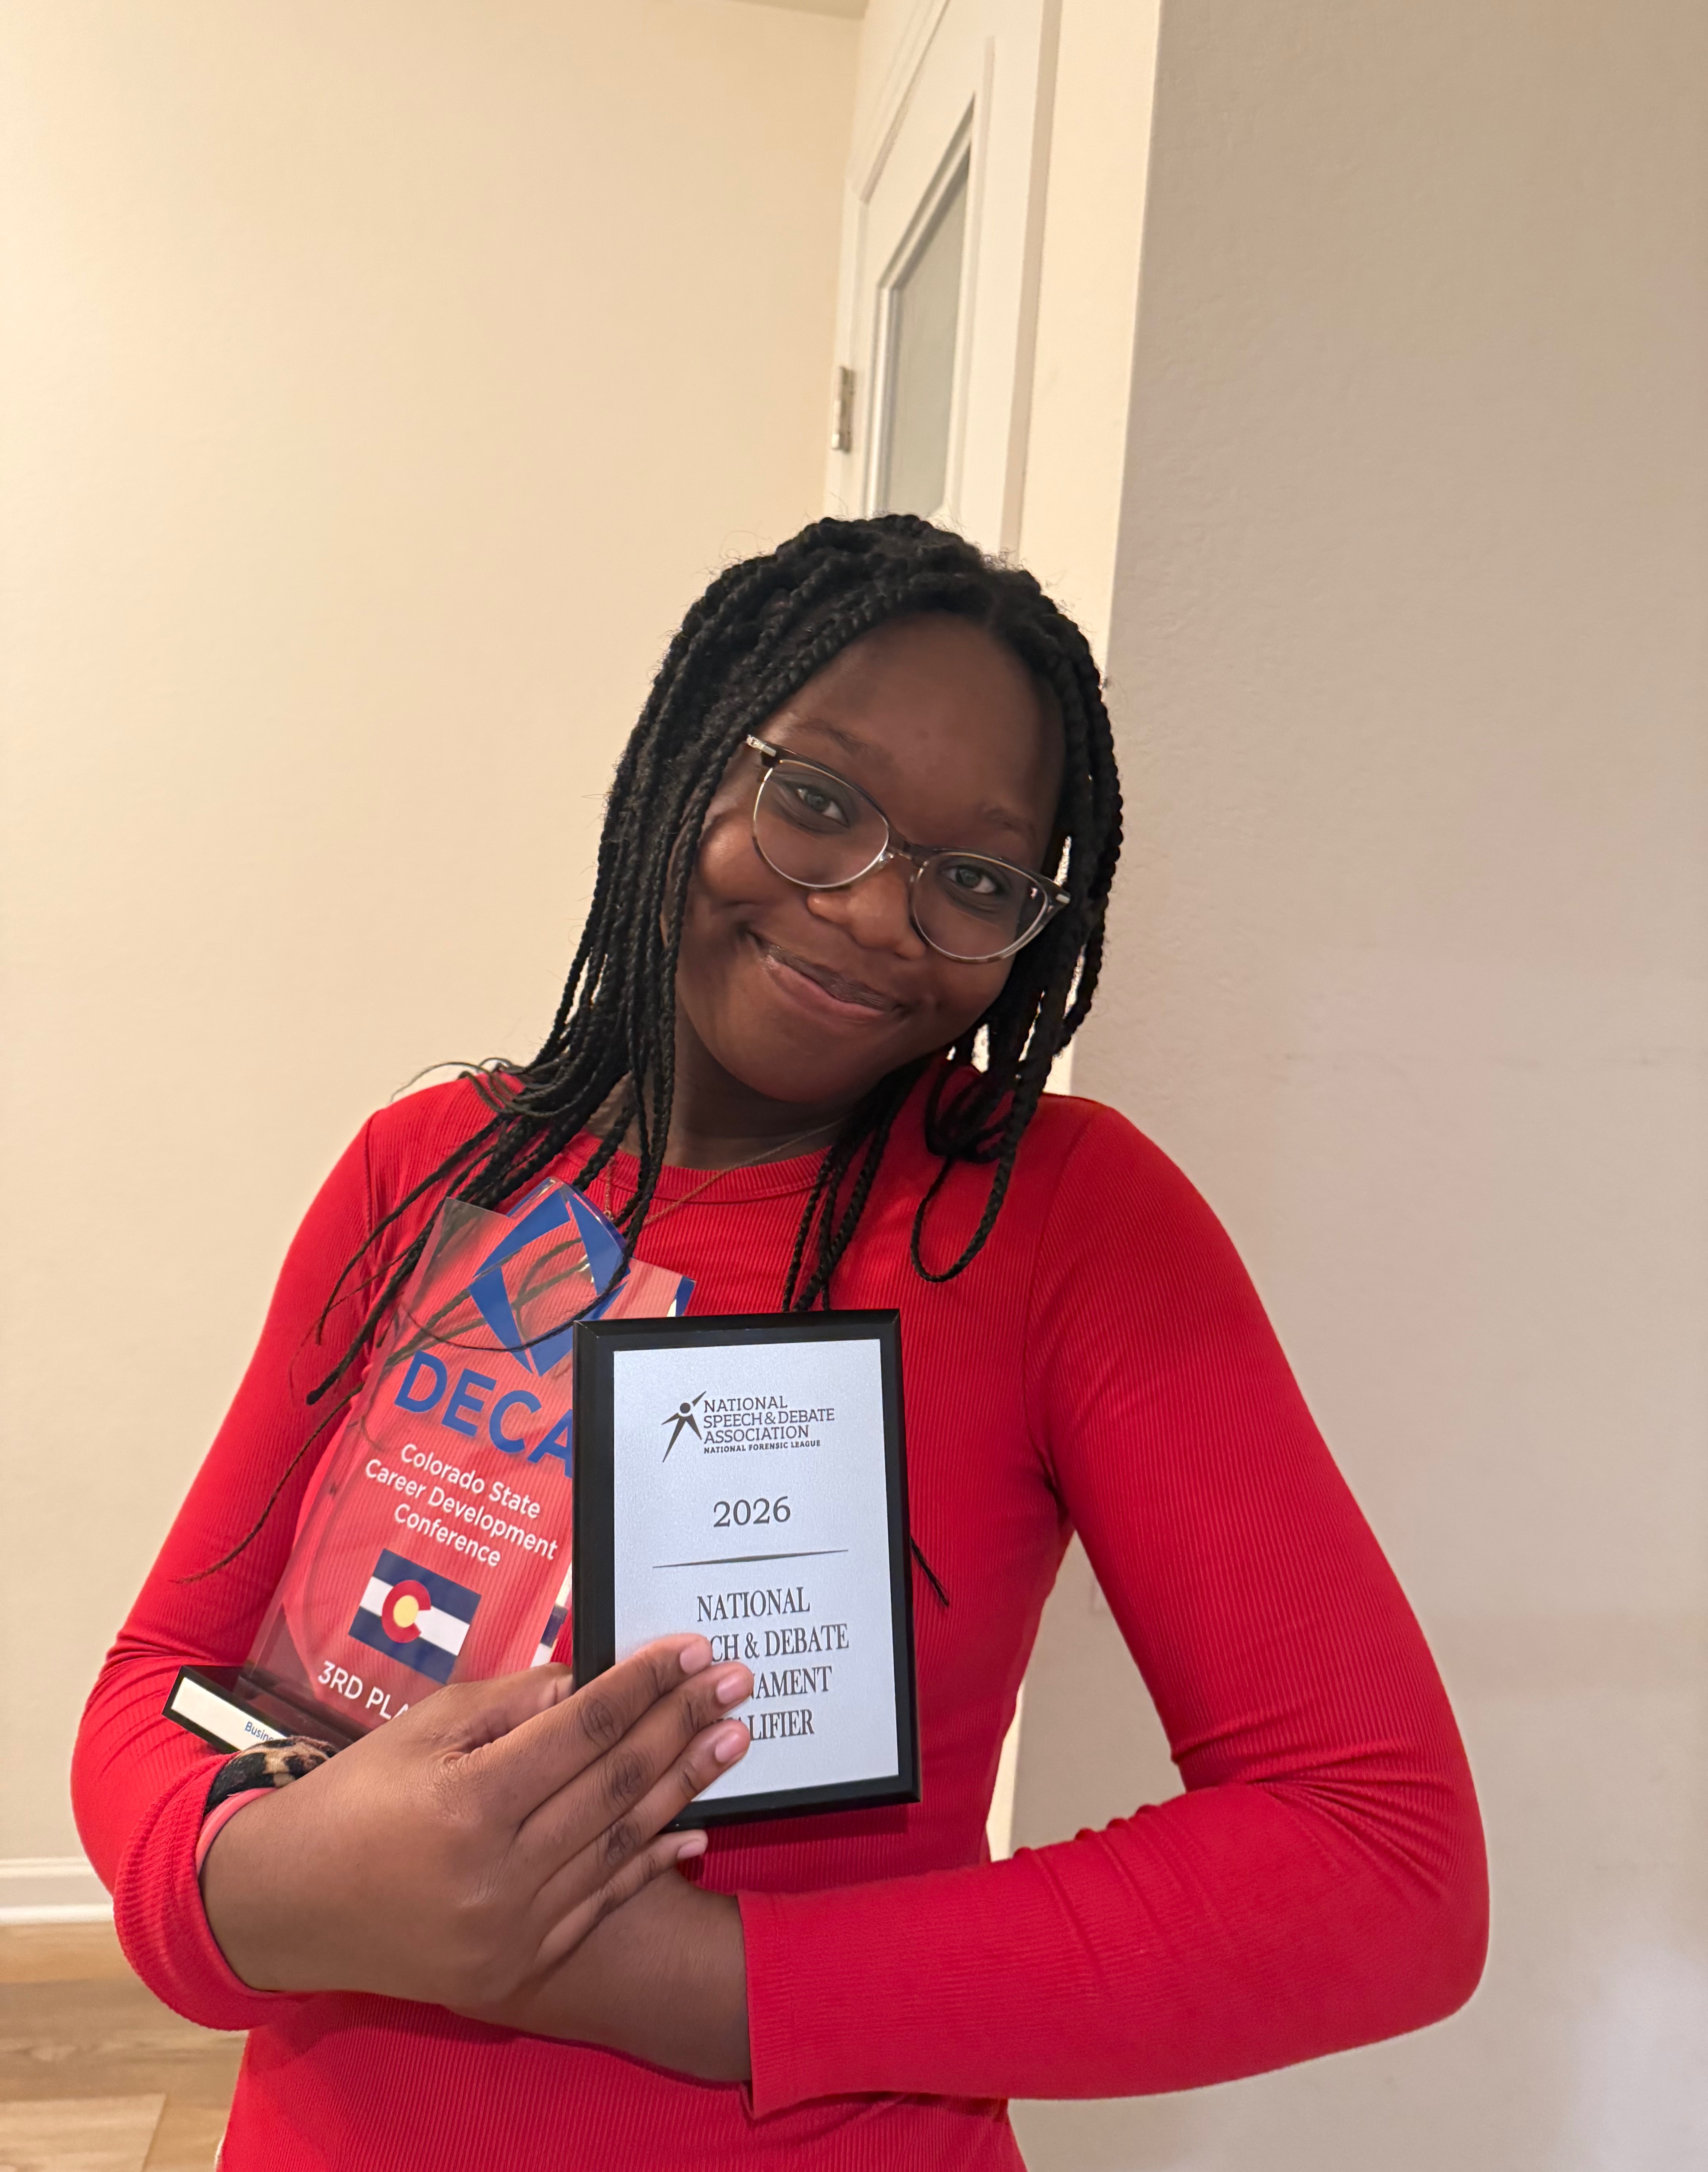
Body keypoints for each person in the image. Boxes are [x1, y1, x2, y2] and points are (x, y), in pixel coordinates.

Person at [74, 515, 1488, 2170]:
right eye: (817, 798)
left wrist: (676, 1981)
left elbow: (1381, 1868)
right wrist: (265, 1892)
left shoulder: (1059, 1224)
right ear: (688, 761)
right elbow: (154, 1686)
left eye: (974, 880)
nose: (880, 912)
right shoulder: (434, 1170)